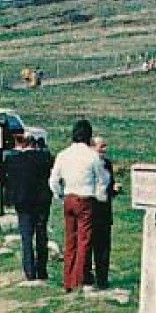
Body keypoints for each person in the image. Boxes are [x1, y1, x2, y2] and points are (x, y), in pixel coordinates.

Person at [48, 118, 106, 292]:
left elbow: (53, 179)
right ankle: (78, 279)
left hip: (69, 197)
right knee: (84, 241)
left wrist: (59, 194)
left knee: (70, 240)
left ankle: (67, 279)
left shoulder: (63, 154)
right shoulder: (92, 156)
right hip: (86, 198)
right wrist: (100, 196)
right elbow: (102, 179)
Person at [0, 129, 55, 282]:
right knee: (41, 235)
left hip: (22, 201)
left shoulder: (13, 159)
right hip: (42, 201)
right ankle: (42, 270)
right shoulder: (45, 157)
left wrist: (10, 186)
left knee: (26, 237)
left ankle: (29, 272)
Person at [85, 137, 120, 290]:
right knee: (88, 244)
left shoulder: (107, 164)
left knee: (103, 246)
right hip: (90, 206)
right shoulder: (87, 163)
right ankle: (86, 276)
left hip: (104, 210)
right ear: (93, 147)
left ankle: (102, 279)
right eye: (101, 146)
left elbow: (109, 185)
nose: (104, 149)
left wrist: (114, 190)